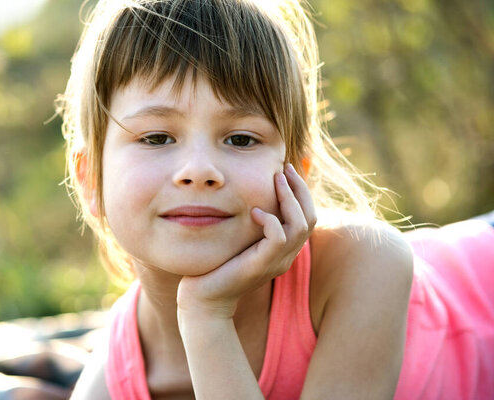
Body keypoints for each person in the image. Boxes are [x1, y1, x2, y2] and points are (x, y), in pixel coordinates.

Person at [57, 0, 494, 398]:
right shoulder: (113, 380)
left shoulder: (366, 262)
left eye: (242, 139)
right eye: (156, 137)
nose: (199, 170)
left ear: (297, 173)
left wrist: (206, 318)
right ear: (90, 179)